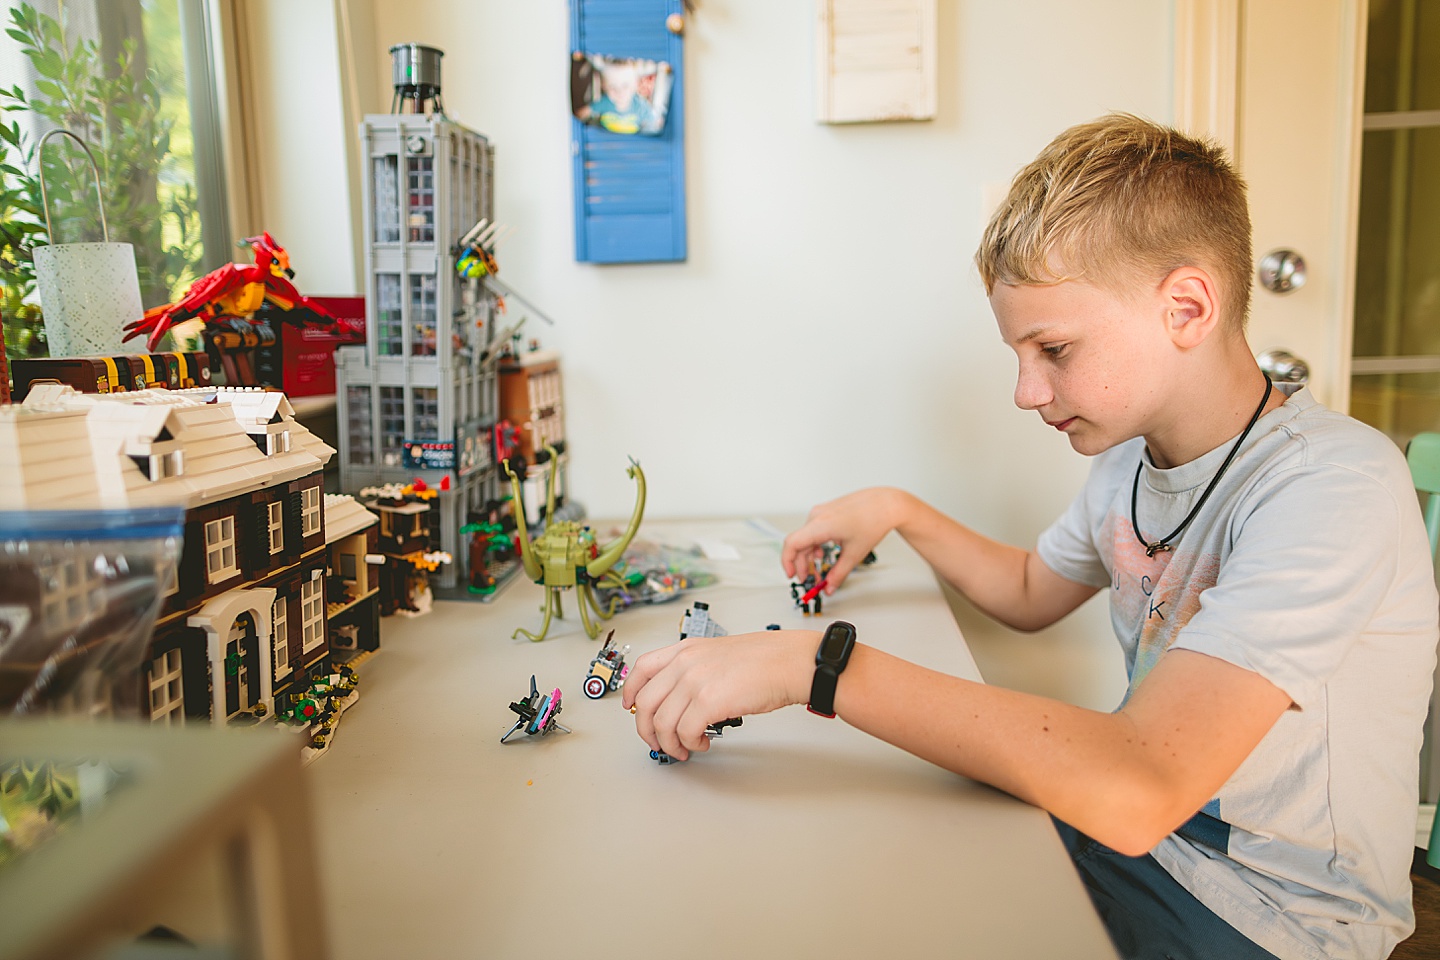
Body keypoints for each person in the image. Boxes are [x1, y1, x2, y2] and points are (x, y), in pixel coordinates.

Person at [621, 113, 1439, 960]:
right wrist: (901, 509)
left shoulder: (1331, 486)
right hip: (1148, 850)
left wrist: (814, 665)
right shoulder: (1128, 462)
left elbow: (1139, 782)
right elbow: (1027, 593)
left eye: (1053, 349)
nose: (1025, 390)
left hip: (1277, 919)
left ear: (1187, 307)